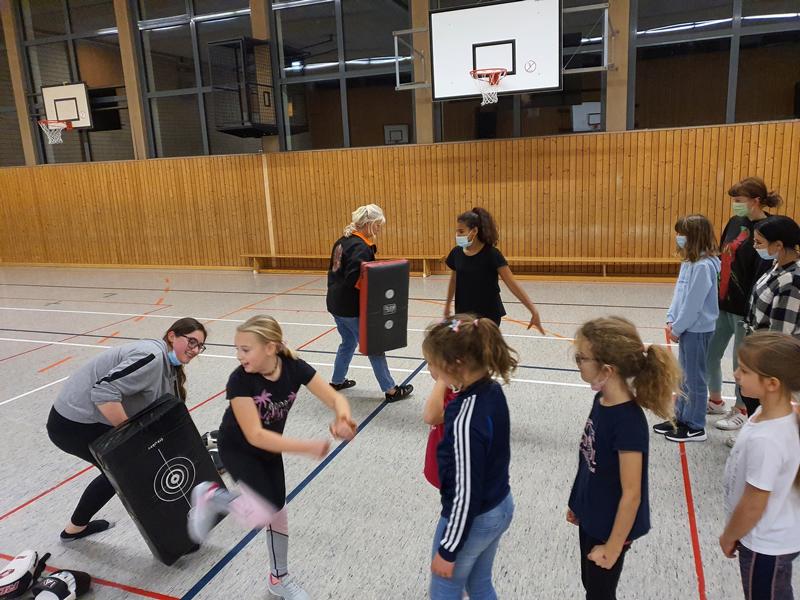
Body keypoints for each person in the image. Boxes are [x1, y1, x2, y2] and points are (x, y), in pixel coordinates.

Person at [187, 315, 357, 600]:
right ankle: (210, 495)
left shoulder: (293, 367)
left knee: (277, 512)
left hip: (269, 449)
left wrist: (343, 418)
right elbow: (255, 435)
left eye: (245, 349)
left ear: (270, 347)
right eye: (237, 349)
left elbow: (335, 398)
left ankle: (279, 578)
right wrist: (306, 447)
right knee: (261, 514)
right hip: (237, 447)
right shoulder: (240, 380)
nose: (239, 355)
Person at [46, 317, 207, 541]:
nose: (195, 350)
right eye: (192, 342)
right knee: (129, 472)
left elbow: (166, 412)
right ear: (172, 336)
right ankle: (175, 537)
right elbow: (103, 392)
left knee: (120, 473)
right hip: (73, 422)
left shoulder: (170, 368)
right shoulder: (152, 357)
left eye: (200, 346)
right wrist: (133, 439)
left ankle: (74, 529)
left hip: (88, 419)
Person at [568, 317, 681, 600]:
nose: (577, 362)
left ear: (607, 370)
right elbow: (589, 459)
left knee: (600, 593)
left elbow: (632, 494)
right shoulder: (601, 401)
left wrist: (613, 547)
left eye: (581, 358)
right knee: (589, 582)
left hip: (612, 525)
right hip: (592, 514)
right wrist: (577, 502)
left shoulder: (628, 422)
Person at [422, 316, 517, 599]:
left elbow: (466, 491)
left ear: (456, 364)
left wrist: (449, 549)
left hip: (474, 517)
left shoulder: (464, 417)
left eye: (432, 363)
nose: (430, 369)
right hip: (500, 503)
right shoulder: (491, 390)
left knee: (444, 591)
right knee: (479, 584)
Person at [719, 332, 800, 600]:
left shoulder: (768, 439)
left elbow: (754, 503)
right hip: (769, 536)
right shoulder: (766, 413)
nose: (735, 374)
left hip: (764, 545)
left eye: (744, 370)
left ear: (772, 383)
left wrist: (730, 535)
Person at [710, 178, 780, 434]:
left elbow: (766, 270)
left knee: (740, 364)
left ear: (755, 201)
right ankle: (716, 400)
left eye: (739, 201)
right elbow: (722, 255)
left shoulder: (770, 228)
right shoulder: (734, 222)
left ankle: (741, 410)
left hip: (746, 311)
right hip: (723, 302)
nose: (735, 205)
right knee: (710, 354)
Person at [326, 203, 413, 402]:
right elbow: (354, 278)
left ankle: (337, 381)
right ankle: (390, 390)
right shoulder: (360, 247)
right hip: (351, 308)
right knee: (374, 346)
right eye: (378, 225)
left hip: (335, 303)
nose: (379, 229)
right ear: (369, 224)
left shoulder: (343, 240)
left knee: (348, 342)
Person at [655, 215, 720, 442]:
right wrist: (671, 318)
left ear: (694, 236)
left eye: (682, 234)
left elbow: (694, 303)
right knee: (683, 377)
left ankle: (696, 425)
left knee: (695, 378)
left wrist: (678, 328)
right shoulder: (689, 262)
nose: (679, 238)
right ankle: (681, 417)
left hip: (697, 329)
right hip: (685, 327)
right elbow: (680, 293)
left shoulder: (703, 266)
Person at [444, 207, 544, 333]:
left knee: (483, 345)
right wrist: (447, 306)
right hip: (463, 314)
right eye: (457, 231)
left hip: (488, 316)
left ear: (474, 231)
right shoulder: (456, 253)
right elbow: (454, 281)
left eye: (461, 231)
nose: (457, 235)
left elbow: (512, 284)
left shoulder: (492, 254)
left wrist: (533, 311)